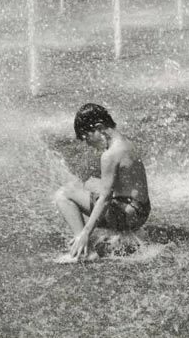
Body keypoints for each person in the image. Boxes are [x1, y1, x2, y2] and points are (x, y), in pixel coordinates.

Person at [53, 103, 150, 262]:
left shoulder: (110, 155)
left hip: (127, 217)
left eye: (87, 137)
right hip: (141, 211)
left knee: (63, 194)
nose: (88, 143)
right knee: (87, 184)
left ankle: (83, 252)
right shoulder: (125, 143)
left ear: (99, 127)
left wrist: (86, 232)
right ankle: (122, 234)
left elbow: (105, 199)